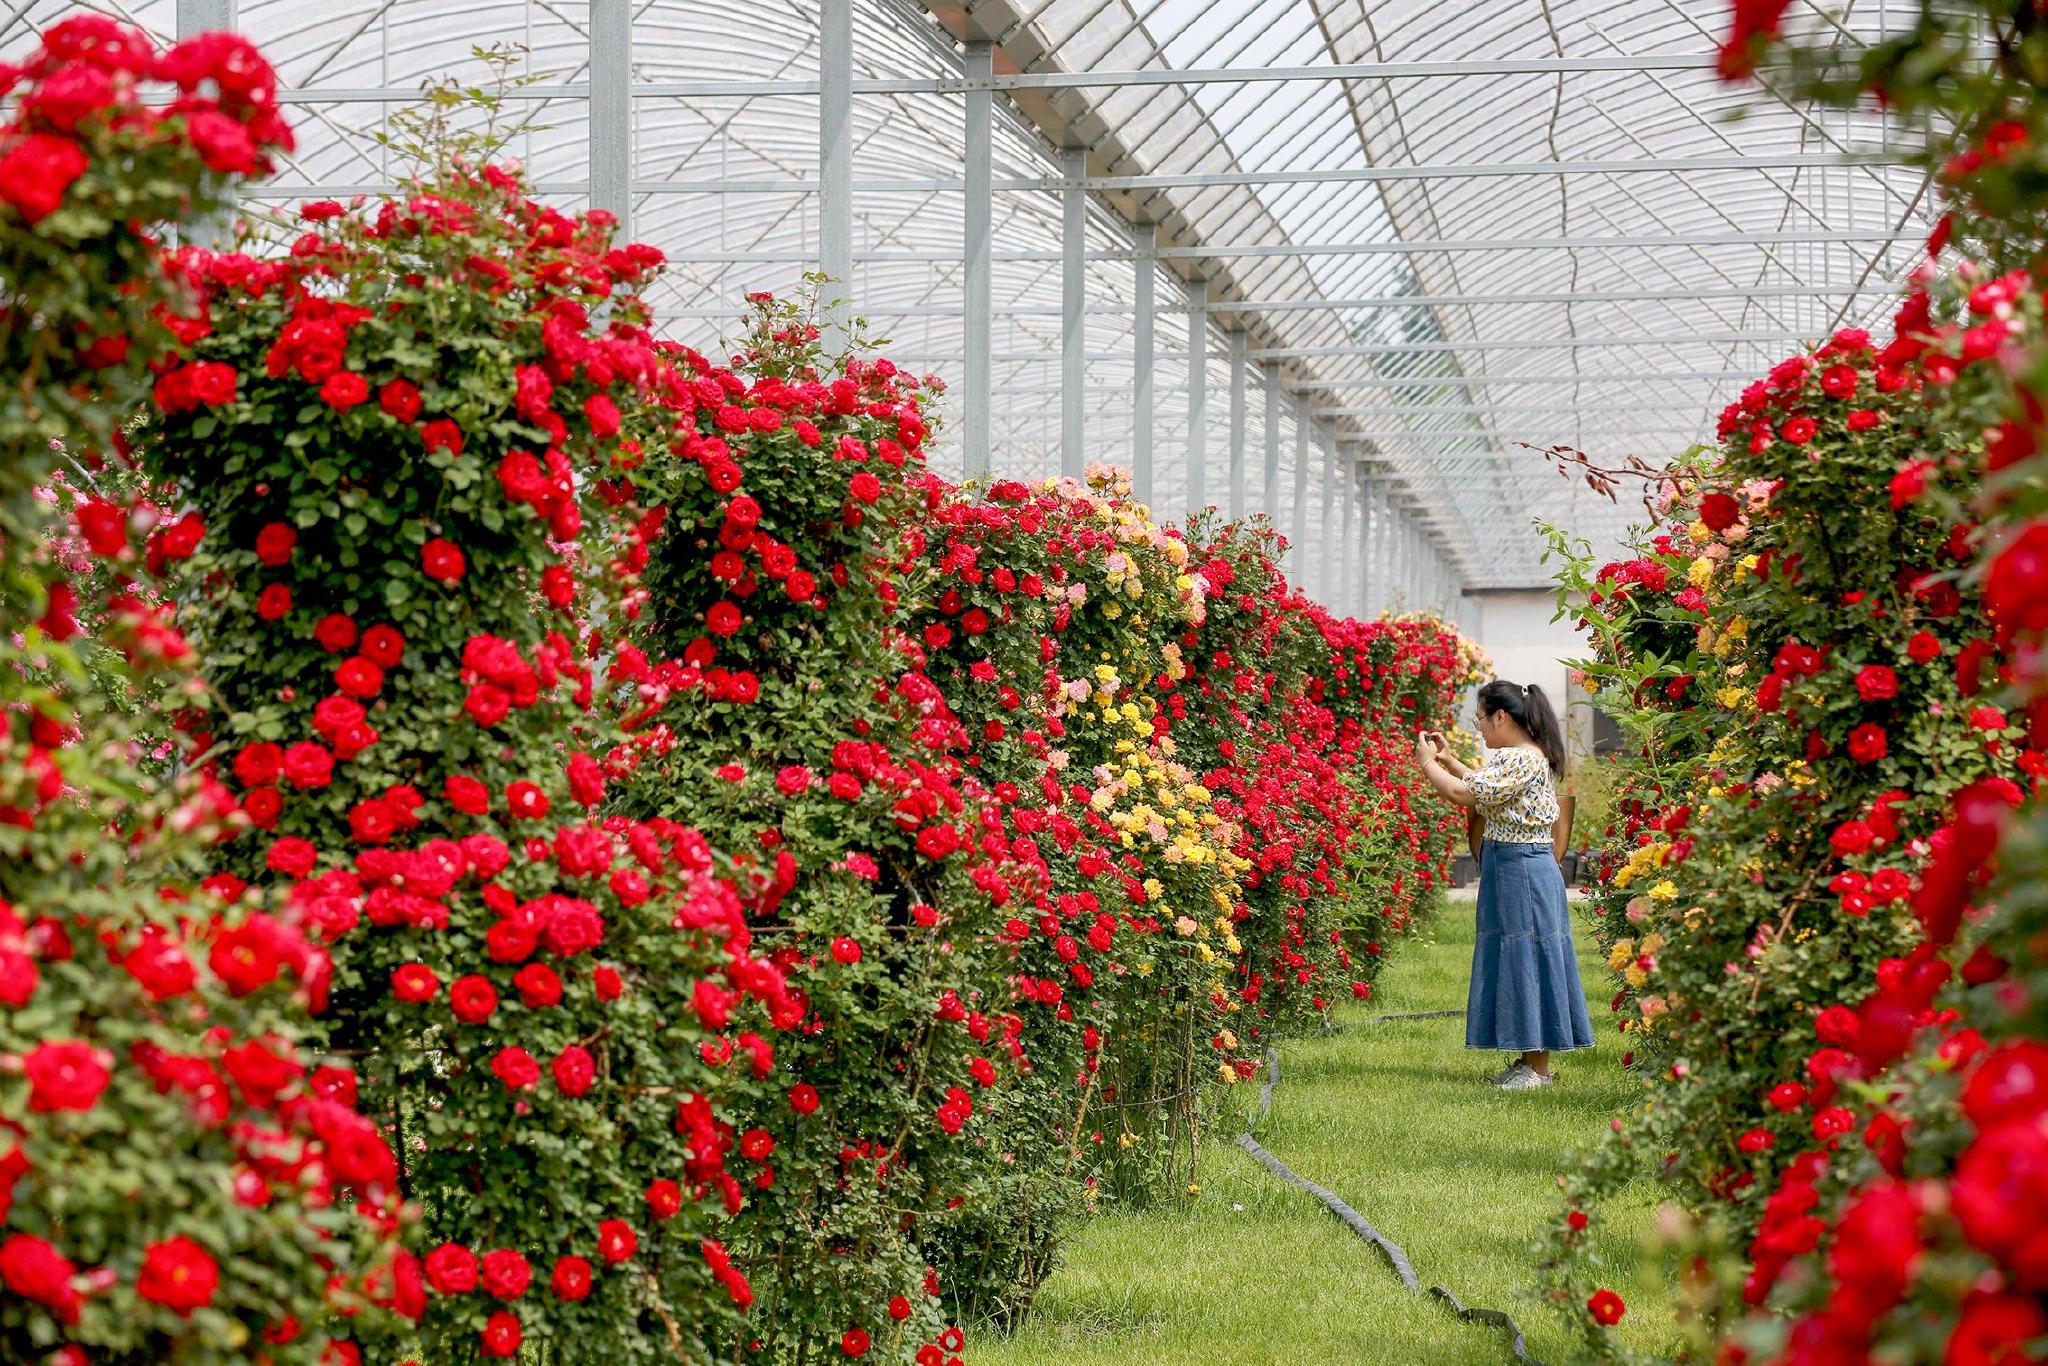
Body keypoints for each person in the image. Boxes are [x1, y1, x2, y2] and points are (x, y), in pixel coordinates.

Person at [1415, 680, 1594, 1091]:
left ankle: (1538, 1071)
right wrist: (1448, 758)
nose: (1478, 727)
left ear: (1501, 717)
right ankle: (1527, 1060)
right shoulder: (1519, 757)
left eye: (1480, 718)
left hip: (1523, 872)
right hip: (1511, 868)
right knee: (1517, 959)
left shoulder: (1521, 759)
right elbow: (1483, 786)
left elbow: (1465, 794)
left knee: (1527, 959)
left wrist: (1427, 764)